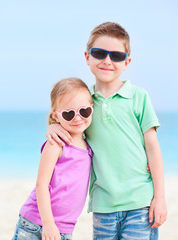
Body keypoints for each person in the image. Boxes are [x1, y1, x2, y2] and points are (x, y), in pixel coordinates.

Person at [46, 22, 167, 239]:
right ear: (87, 57)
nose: (107, 61)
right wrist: (54, 125)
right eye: (100, 53)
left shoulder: (138, 97)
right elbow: (68, 121)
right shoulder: (84, 103)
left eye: (116, 56)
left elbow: (153, 148)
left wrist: (160, 198)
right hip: (103, 206)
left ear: (126, 62)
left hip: (140, 202)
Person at [12, 78, 94, 240]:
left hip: (65, 229)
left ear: (92, 109)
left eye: (83, 111)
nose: (77, 118)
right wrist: (48, 223)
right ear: (56, 116)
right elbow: (41, 184)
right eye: (69, 113)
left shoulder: (90, 147)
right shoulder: (56, 144)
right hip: (36, 224)